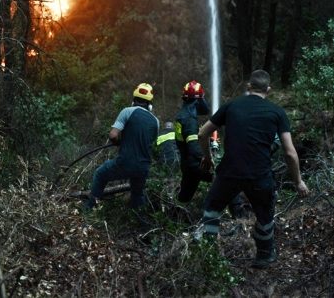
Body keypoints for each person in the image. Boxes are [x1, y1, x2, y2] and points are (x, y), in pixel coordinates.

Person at [198, 70, 310, 268]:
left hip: (229, 172)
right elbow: (290, 153)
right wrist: (298, 182)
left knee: (212, 208)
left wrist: (208, 158)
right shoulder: (277, 112)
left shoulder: (231, 105)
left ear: (248, 87)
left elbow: (202, 134)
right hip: (259, 174)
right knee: (265, 214)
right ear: (268, 90)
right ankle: (264, 255)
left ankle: (209, 253)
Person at [85, 83, 159, 218]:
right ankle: (142, 225)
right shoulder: (156, 121)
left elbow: (113, 135)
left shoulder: (127, 111)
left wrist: (119, 143)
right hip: (143, 166)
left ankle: (89, 212)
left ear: (134, 100)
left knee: (100, 174)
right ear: (149, 104)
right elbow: (150, 142)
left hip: (126, 163)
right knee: (138, 193)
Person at [175, 81, 245, 218]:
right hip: (197, 164)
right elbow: (194, 146)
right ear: (198, 100)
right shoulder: (189, 120)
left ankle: (175, 217)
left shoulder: (182, 116)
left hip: (187, 164)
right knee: (227, 178)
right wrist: (207, 159)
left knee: (185, 194)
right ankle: (240, 216)